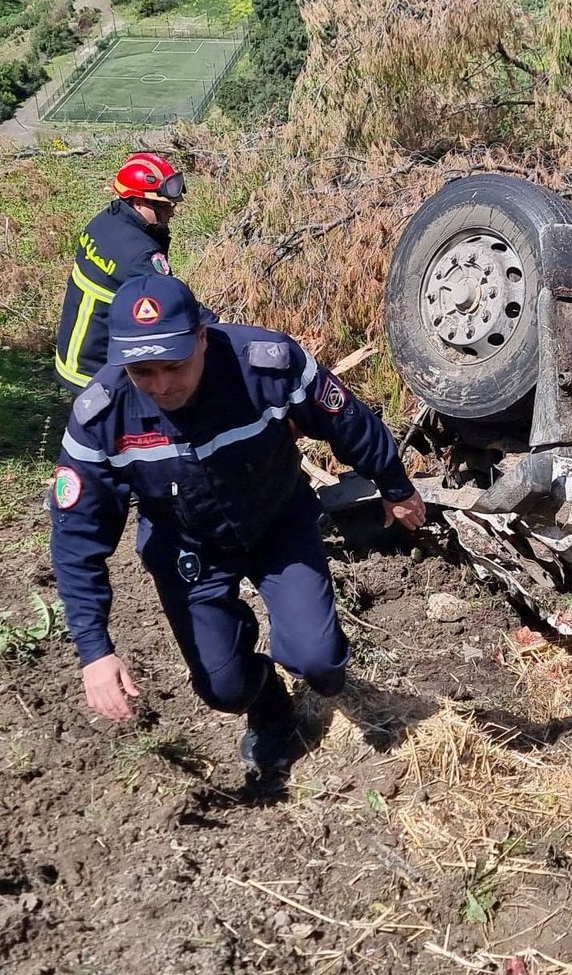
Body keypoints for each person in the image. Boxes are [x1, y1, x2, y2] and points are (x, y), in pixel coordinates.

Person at [48, 274, 427, 770]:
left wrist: (395, 486)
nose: (161, 385)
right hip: (188, 547)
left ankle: (316, 668)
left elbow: (346, 420)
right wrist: (95, 650)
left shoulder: (266, 364)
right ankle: (271, 706)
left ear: (203, 336)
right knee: (224, 690)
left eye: (175, 365)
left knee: (320, 662)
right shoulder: (102, 416)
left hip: (278, 525)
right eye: (142, 371)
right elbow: (77, 538)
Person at [53, 153, 187, 394]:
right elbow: (174, 303)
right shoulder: (138, 254)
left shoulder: (106, 221)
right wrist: (222, 328)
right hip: (95, 369)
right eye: (162, 205)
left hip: (74, 353)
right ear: (137, 202)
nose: (171, 212)